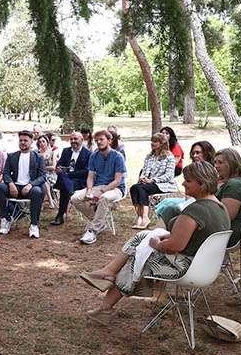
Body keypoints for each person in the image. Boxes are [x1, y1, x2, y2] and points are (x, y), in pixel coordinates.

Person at [79, 161, 230, 326]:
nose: (183, 183)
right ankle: (108, 277)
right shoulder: (221, 208)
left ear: (202, 183)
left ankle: (107, 296)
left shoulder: (196, 210)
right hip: (205, 267)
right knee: (142, 239)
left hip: (185, 268)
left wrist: (156, 243)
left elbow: (174, 247)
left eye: (188, 180)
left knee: (136, 258)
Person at [72, 130, 127, 245]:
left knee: (104, 198)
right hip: (98, 186)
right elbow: (90, 177)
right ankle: (99, 222)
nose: (99, 142)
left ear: (109, 141)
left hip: (116, 189)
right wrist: (89, 190)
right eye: (97, 140)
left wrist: (101, 191)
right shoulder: (94, 156)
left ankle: (92, 230)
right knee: (75, 198)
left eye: (101, 139)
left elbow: (117, 181)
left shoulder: (118, 157)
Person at [0, 130, 46, 238]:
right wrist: (11, 184)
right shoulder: (12, 156)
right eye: (21, 140)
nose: (22, 142)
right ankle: (5, 218)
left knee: (37, 191)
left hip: (30, 187)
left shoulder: (38, 157)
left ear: (31, 142)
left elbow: (42, 176)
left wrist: (31, 185)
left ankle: (34, 225)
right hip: (15, 186)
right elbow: (6, 173)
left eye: (25, 140)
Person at [130, 133, 178, 229]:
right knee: (134, 188)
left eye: (155, 141)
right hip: (148, 183)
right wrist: (143, 178)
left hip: (163, 184)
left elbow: (169, 175)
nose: (152, 143)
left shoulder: (169, 157)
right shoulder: (149, 157)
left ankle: (145, 217)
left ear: (162, 143)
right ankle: (139, 216)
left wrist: (153, 180)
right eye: (152, 141)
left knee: (142, 189)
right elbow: (144, 170)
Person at [50, 132, 91, 226]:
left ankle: (60, 215)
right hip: (64, 179)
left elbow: (86, 171)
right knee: (63, 178)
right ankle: (70, 191)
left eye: (75, 139)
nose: (73, 141)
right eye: (71, 139)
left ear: (82, 140)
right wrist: (59, 169)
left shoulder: (88, 154)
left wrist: (69, 174)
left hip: (78, 181)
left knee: (64, 184)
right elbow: (59, 164)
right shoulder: (66, 151)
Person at [36, 135, 59, 209]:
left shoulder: (53, 153)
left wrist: (42, 168)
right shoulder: (37, 154)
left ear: (47, 142)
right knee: (42, 179)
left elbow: (53, 167)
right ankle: (49, 199)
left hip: (51, 175)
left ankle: (47, 200)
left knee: (44, 180)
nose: (42, 143)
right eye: (40, 142)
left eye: (43, 141)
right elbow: (35, 167)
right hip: (40, 175)